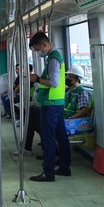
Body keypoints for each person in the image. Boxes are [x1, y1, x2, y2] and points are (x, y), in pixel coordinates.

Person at [18, 64, 92, 156]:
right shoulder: (68, 91)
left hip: (69, 121)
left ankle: (45, 151)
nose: (67, 78)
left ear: (77, 79)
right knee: (34, 115)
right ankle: (35, 148)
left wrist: (70, 118)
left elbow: (84, 110)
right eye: (67, 76)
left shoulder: (82, 92)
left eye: (70, 77)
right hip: (59, 116)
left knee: (37, 120)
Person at [28, 32, 70, 181]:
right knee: (61, 136)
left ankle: (48, 172)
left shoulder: (53, 59)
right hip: (57, 102)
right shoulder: (55, 57)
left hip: (51, 104)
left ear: (43, 45)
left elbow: (53, 82)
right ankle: (65, 167)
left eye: (37, 49)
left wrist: (37, 78)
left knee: (48, 138)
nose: (38, 52)